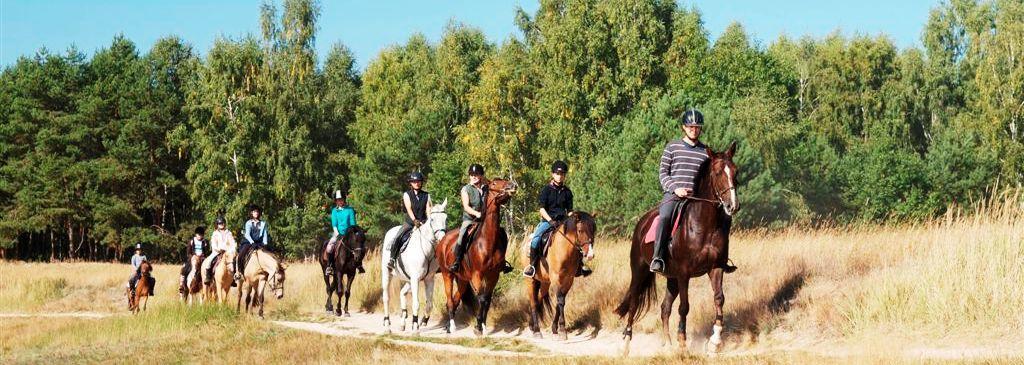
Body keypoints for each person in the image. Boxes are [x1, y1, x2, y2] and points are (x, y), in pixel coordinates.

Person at [650, 109, 737, 274]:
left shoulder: (705, 151)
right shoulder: (672, 147)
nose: (694, 130)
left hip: (698, 198)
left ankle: (722, 259)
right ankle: (658, 257)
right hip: (674, 194)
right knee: (665, 216)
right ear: (684, 127)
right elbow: (663, 173)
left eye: (697, 127)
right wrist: (676, 188)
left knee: (725, 218)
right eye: (690, 127)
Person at [524, 160, 590, 278]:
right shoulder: (546, 190)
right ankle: (532, 266)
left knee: (577, 239)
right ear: (553, 174)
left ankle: (580, 266)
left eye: (562, 174)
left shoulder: (568, 192)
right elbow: (541, 209)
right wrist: (550, 221)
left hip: (563, 222)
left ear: (564, 176)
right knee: (535, 240)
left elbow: (569, 210)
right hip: (548, 221)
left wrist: (572, 218)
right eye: (558, 174)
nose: (560, 176)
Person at [388, 172, 431, 270]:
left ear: (421, 183)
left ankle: (436, 262)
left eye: (418, 181)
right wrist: (415, 220)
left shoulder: (426, 195)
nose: (417, 183)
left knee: (435, 237)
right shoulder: (407, 194)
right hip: (410, 222)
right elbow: (409, 208)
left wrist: (428, 221)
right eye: (414, 182)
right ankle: (392, 259)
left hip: (424, 223)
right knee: (398, 237)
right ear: (411, 183)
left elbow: (428, 209)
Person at [448, 164, 486, 272]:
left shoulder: (486, 188)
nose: (473, 177)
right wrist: (477, 214)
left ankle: (502, 261)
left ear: (481, 176)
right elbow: (466, 207)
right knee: (462, 235)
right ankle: (457, 261)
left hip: (484, 220)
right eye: (471, 174)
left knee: (500, 232)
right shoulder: (466, 189)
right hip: (470, 220)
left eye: (476, 174)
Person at [325, 190, 362, 275]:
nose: (339, 201)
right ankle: (329, 266)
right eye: (338, 200)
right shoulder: (334, 211)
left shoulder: (350, 210)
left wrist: (351, 234)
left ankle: (359, 265)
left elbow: (353, 224)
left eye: (341, 199)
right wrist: (337, 234)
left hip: (349, 234)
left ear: (344, 199)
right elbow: (334, 224)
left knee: (359, 246)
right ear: (336, 201)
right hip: (337, 233)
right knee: (329, 248)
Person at [235, 205, 269, 280]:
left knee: (271, 253)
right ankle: (239, 272)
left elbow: (265, 234)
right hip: (249, 242)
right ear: (251, 213)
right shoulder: (249, 223)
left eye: (257, 211)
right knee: (240, 255)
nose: (256, 213)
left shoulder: (263, 223)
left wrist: (265, 243)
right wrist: (252, 242)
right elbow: (247, 234)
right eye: (254, 212)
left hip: (259, 243)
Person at [202, 216, 237, 285]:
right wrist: (218, 249)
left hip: (227, 252)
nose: (221, 224)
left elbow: (232, 243)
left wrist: (231, 250)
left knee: (234, 262)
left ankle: (233, 278)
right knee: (209, 261)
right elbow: (213, 244)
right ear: (217, 225)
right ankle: (208, 277)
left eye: (223, 223)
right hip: (217, 252)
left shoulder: (229, 233)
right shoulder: (215, 233)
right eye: (220, 223)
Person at [180, 226, 209, 293]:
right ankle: (182, 284)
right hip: (193, 258)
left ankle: (208, 280)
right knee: (184, 268)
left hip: (202, 258)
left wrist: (204, 257)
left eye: (201, 235)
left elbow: (206, 252)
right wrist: (192, 257)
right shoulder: (192, 241)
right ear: (196, 234)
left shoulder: (205, 242)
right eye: (198, 234)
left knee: (208, 267)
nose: (200, 236)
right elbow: (188, 252)